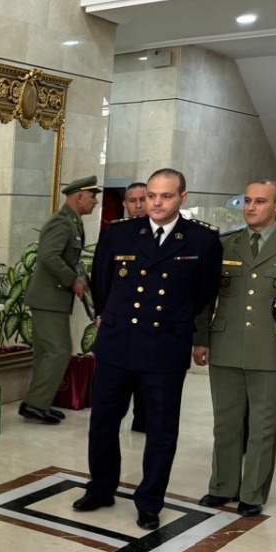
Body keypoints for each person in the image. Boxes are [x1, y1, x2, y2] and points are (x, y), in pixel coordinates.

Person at [73, 168, 222, 530]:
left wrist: (175, 321)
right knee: (104, 421)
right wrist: (110, 315)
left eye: (166, 196)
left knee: (161, 430)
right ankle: (100, 488)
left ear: (182, 198)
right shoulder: (120, 233)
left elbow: (204, 293)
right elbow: (102, 282)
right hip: (118, 343)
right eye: (152, 195)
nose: (156, 203)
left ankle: (150, 501)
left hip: (165, 347)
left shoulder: (202, 240)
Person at [192, 179, 276, 516]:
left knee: (264, 426)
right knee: (225, 423)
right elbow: (205, 296)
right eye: (248, 201)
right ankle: (222, 486)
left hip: (273, 348)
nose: (251, 207)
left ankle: (252, 493)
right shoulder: (225, 244)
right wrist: (200, 339)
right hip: (225, 345)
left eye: (260, 201)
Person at [20, 175, 100, 424]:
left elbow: (65, 258)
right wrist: (72, 280)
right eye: (92, 196)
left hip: (52, 298)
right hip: (49, 298)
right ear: (79, 196)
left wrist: (80, 276)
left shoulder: (72, 222)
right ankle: (35, 404)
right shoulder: (62, 222)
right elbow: (48, 256)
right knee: (59, 350)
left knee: (47, 352)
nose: (95, 201)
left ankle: (37, 403)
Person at [122, 182, 150, 433]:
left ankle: (142, 418)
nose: (139, 205)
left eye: (144, 199)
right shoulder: (117, 234)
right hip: (121, 320)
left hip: (153, 319)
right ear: (125, 204)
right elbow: (102, 278)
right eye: (133, 200)